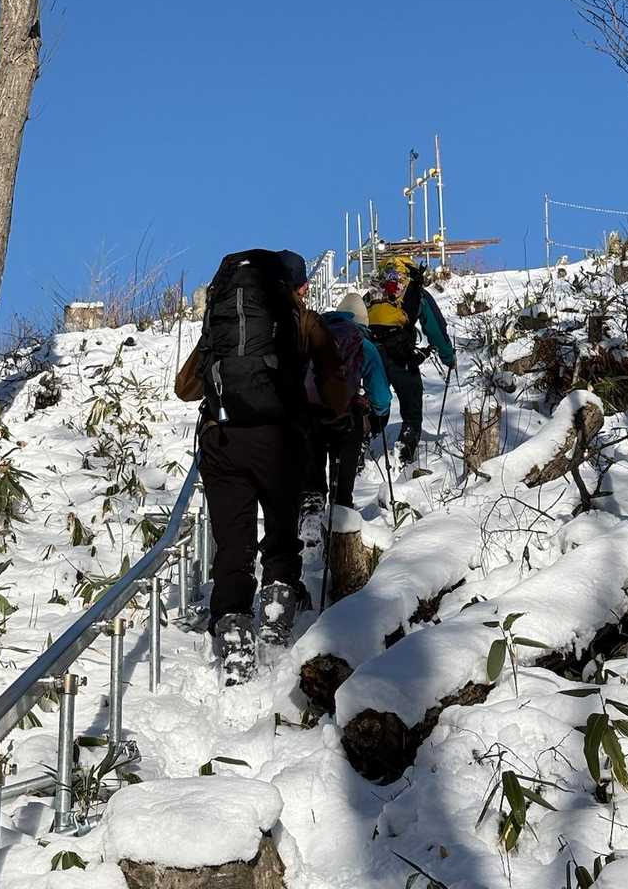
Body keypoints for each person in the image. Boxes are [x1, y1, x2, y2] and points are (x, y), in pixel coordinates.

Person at [174, 248, 349, 684]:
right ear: (296, 287)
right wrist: (336, 412)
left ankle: (234, 629)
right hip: (279, 440)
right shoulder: (304, 321)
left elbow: (185, 388)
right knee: (281, 530)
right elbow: (333, 384)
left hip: (222, 440)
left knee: (233, 542)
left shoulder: (225, 322)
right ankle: (276, 607)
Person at [300, 291, 392, 542]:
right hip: (345, 418)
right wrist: (376, 417)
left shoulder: (312, 335)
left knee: (313, 473)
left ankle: (311, 513)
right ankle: (340, 518)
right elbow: (381, 397)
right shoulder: (362, 345)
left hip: (309, 415)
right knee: (342, 483)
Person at [367, 260, 455, 465]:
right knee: (411, 410)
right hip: (400, 354)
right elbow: (435, 327)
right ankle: (404, 456)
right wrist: (448, 357)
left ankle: (362, 442)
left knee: (376, 402)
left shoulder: (374, 291)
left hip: (372, 352)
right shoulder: (414, 290)